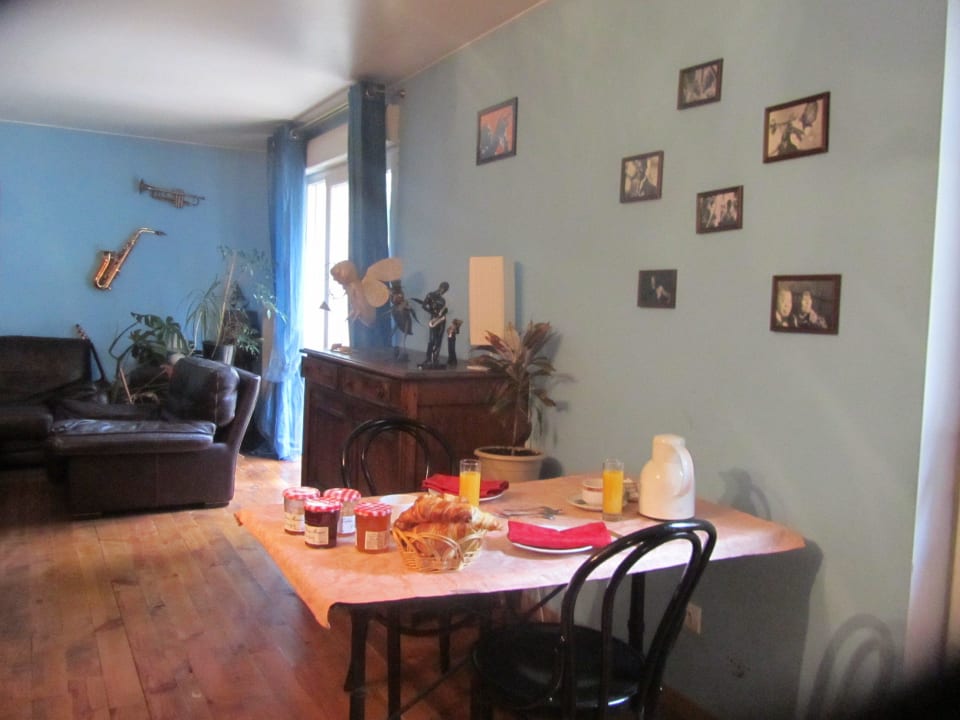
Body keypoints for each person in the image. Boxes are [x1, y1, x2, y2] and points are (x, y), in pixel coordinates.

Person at [413, 281, 449, 367]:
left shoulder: (443, 300)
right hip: (433, 319)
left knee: (439, 340)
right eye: (444, 289)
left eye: (445, 290)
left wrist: (444, 311)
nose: (444, 292)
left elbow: (443, 310)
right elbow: (424, 306)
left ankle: (435, 358)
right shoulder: (430, 295)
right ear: (440, 287)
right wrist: (432, 312)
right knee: (432, 339)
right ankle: (428, 358)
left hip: (442, 320)